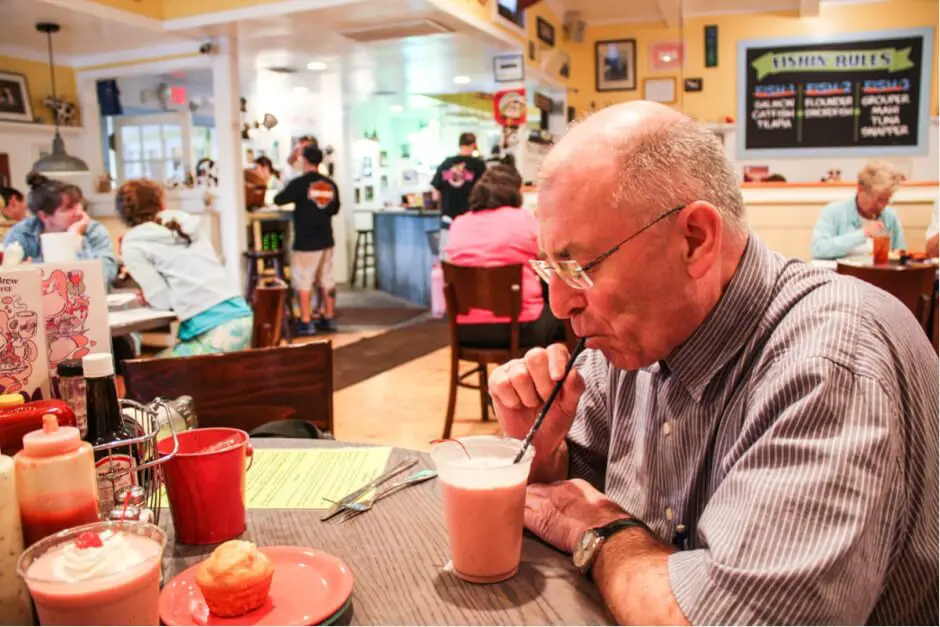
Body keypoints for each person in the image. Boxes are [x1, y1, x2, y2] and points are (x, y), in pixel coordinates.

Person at [488, 102, 938, 625]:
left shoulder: (829, 360)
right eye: (550, 269)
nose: (560, 304)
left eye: (578, 267)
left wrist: (602, 533)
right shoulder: (631, 338)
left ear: (695, 239)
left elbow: (734, 617)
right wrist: (542, 451)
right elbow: (569, 486)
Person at [116, 179, 252, 357]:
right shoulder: (185, 223)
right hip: (242, 319)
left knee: (146, 376)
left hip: (212, 331)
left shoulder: (132, 243)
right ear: (161, 203)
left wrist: (151, 297)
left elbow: (162, 300)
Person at [443, 164, 565, 348]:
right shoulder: (522, 219)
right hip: (521, 327)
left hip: (467, 330)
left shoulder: (459, 223)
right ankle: (562, 373)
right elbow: (547, 256)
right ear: (515, 192)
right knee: (566, 318)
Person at [273, 144, 340, 336]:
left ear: (304, 161)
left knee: (304, 280)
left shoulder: (300, 184)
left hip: (306, 240)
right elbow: (334, 209)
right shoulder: (330, 184)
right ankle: (329, 317)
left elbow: (279, 199)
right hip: (326, 238)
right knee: (327, 279)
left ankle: (306, 320)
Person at [5, 173, 118, 285]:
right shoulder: (22, 233)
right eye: (69, 208)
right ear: (44, 216)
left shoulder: (94, 230)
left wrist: (75, 239)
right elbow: (8, 282)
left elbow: (104, 277)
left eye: (78, 204)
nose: (79, 212)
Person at [811, 160, 906, 259]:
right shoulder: (834, 212)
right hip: (841, 273)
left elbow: (900, 253)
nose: (882, 206)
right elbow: (818, 250)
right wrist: (863, 234)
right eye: (879, 199)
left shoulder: (890, 215)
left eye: (887, 200)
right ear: (860, 189)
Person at [431, 132, 487, 256]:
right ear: (474, 145)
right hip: (471, 220)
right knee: (470, 257)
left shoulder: (445, 164)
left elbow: (435, 195)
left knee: (446, 258)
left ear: (459, 145)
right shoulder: (479, 165)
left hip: (448, 218)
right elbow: (486, 193)